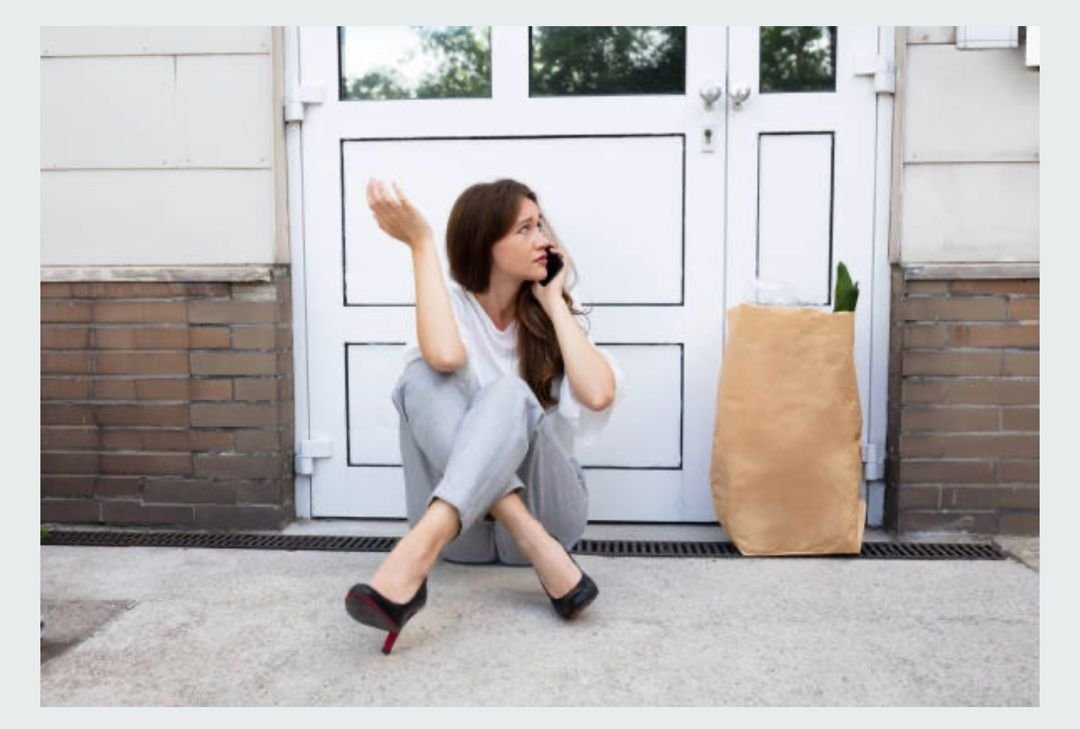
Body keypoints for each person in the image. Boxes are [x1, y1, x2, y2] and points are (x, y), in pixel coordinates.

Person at [344, 177, 625, 655]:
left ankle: (414, 556)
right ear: (484, 243)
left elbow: (598, 394)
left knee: (509, 393)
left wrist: (554, 302)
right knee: (420, 378)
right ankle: (529, 540)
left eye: (541, 226)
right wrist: (421, 243)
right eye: (524, 229)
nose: (543, 240)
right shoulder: (449, 309)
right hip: (471, 540)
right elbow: (445, 358)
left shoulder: (550, 317)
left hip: (552, 514)